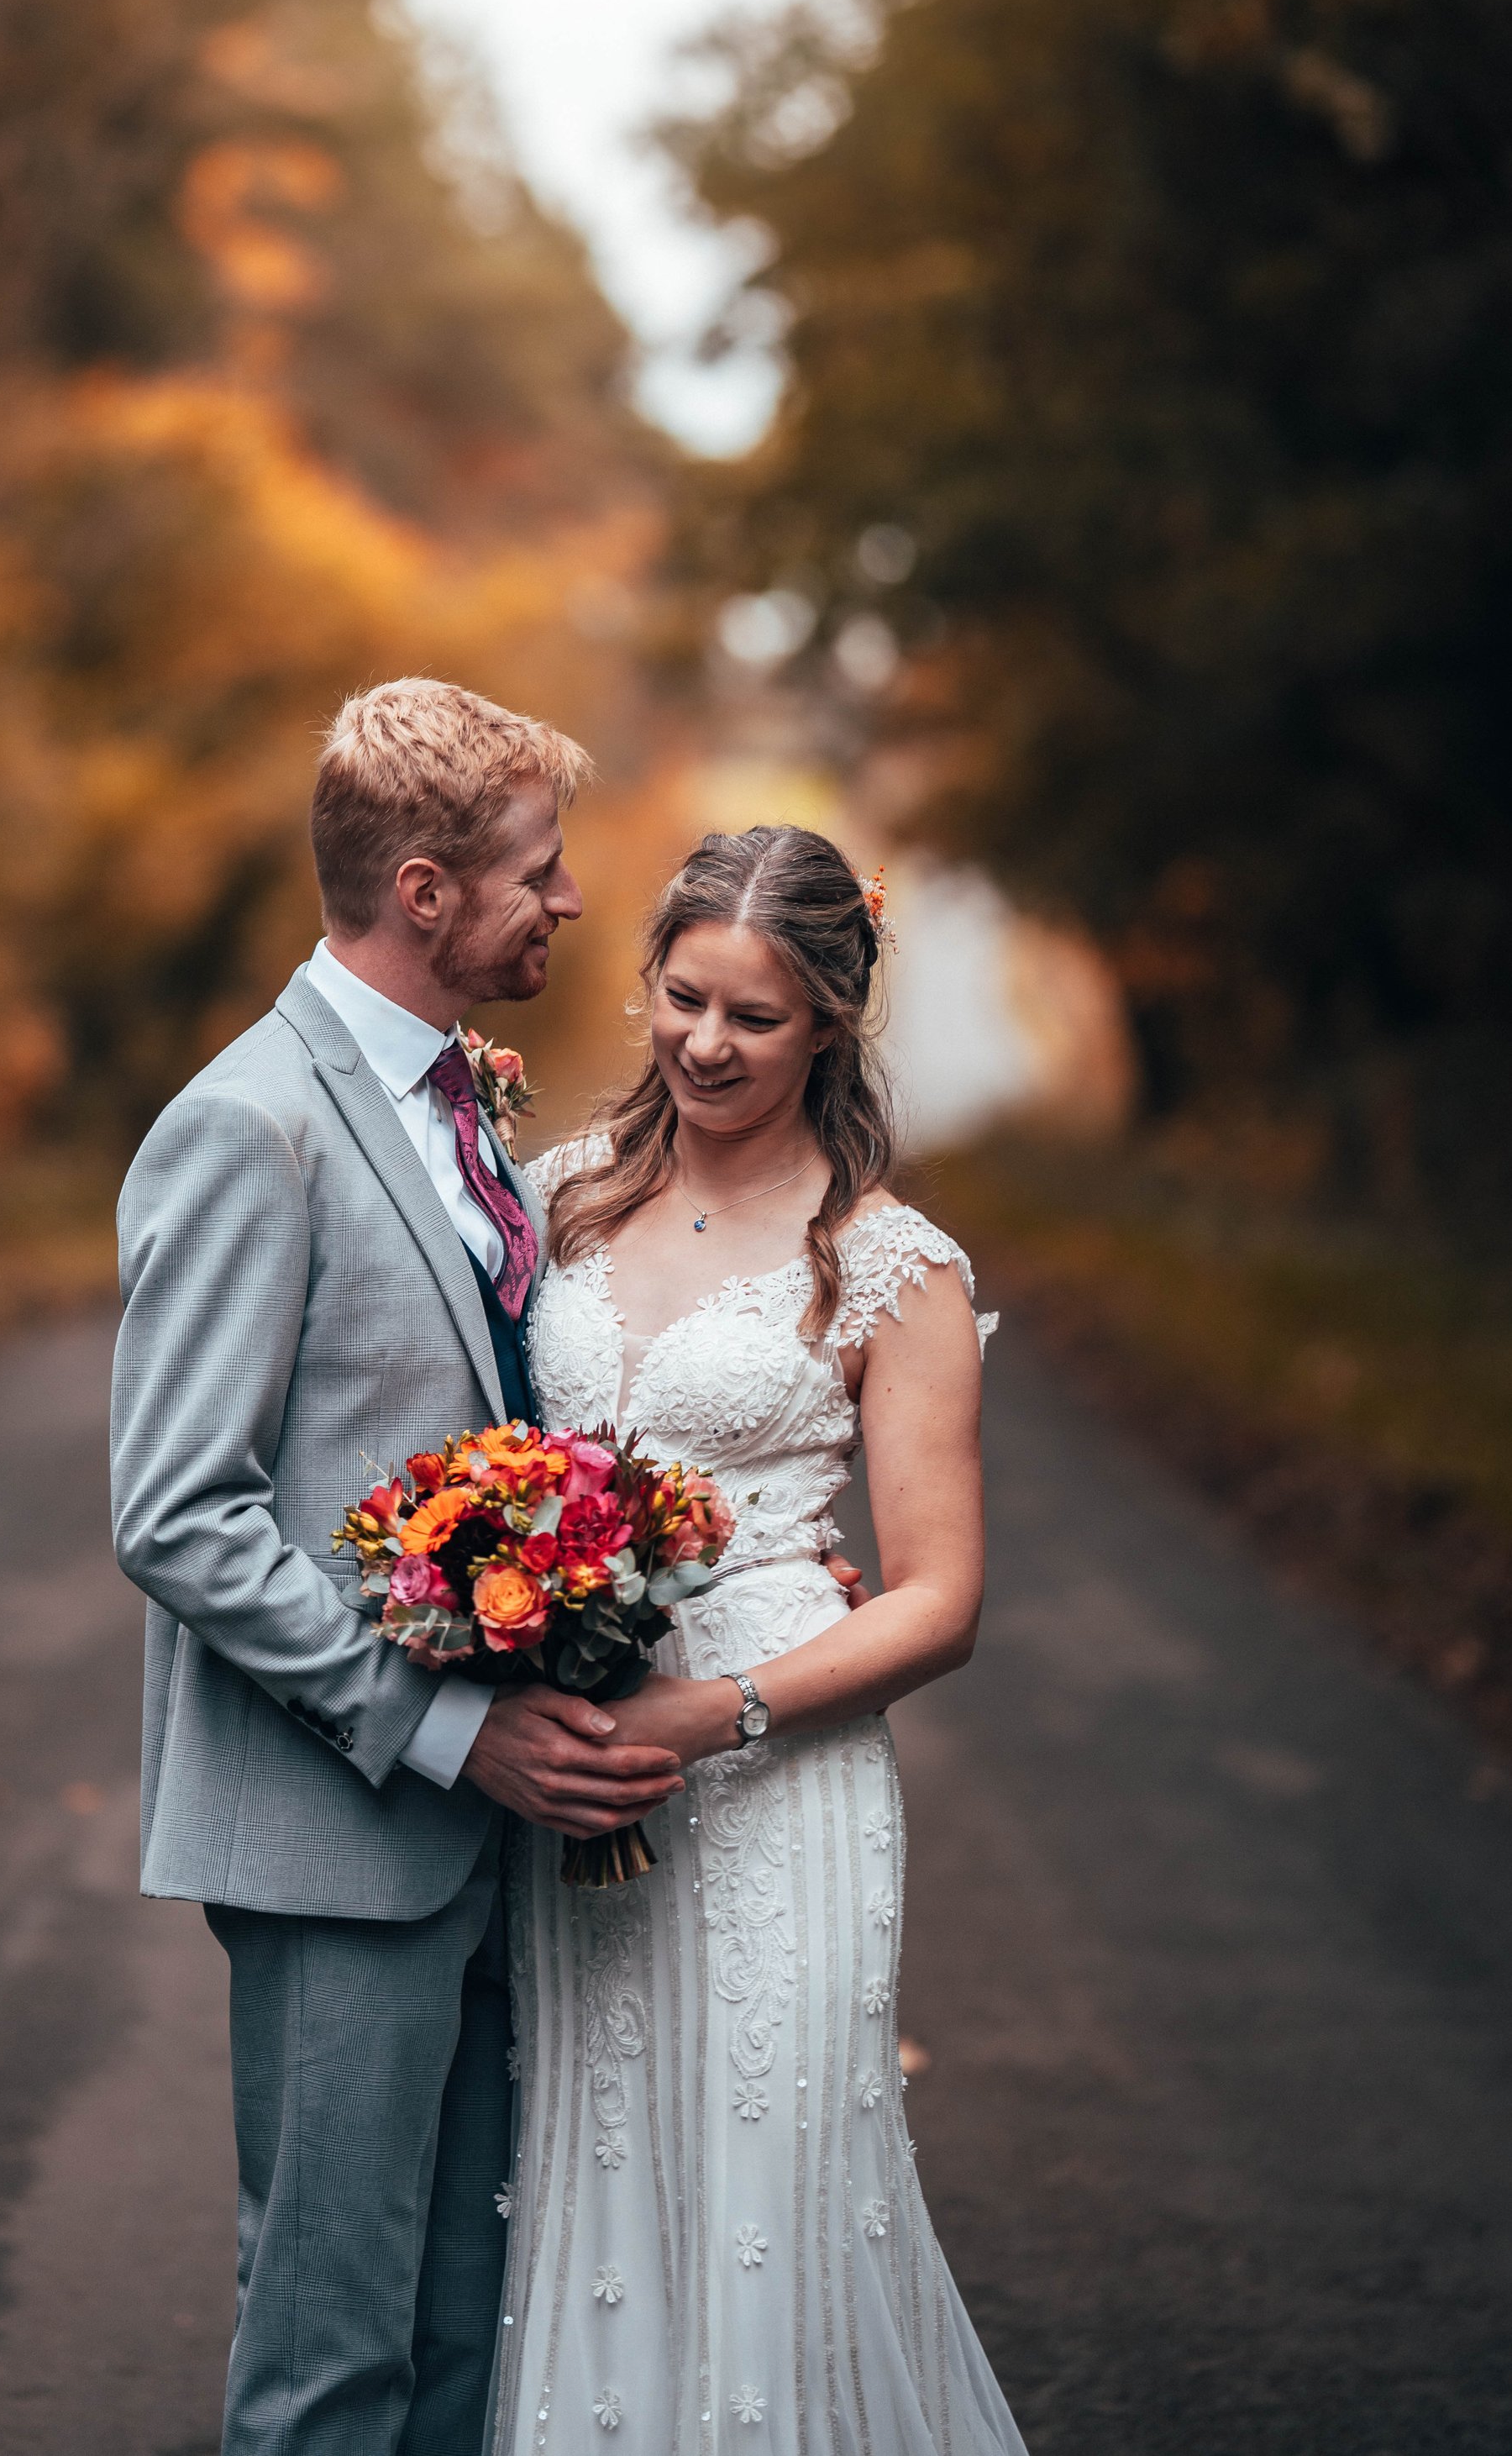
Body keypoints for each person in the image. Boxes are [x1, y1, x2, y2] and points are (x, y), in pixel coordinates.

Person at [108, 678, 687, 2456]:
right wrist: (446, 1734)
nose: (570, 902)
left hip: (483, 1846)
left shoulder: (457, 1107)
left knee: (463, 2342)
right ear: (423, 892)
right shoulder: (248, 1123)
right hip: (340, 1831)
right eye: (538, 870)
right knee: (328, 2358)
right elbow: (178, 1511)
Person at [491, 823, 1030, 2456]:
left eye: (754, 1017)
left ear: (826, 1031)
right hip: (572, 1778)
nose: (706, 1045)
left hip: (773, 1785)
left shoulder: (888, 1267)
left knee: (768, 2186)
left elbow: (936, 1599)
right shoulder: (551, 1202)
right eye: (682, 998)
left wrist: (707, 1717)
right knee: (586, 2177)